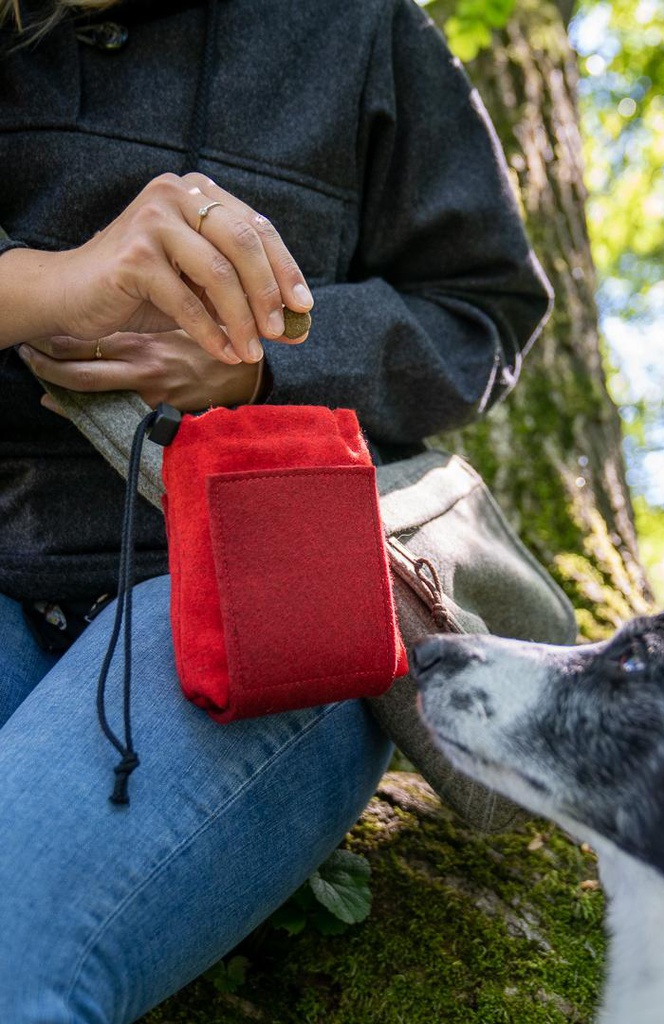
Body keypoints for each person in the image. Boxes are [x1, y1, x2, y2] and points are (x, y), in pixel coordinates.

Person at [0, 0, 552, 1020]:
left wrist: (267, 359)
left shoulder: (358, 26)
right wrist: (40, 289)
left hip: (272, 580)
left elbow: (484, 311)